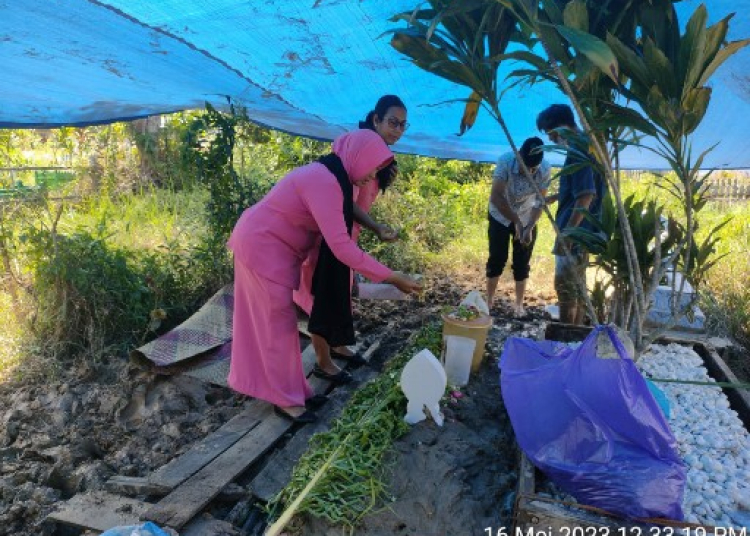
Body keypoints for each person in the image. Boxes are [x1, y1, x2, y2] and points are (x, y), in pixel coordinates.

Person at [227, 130, 422, 423]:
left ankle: (296, 390)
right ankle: (286, 400)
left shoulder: (335, 177)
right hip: (263, 246)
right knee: (276, 326)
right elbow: (341, 245)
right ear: (358, 157)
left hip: (275, 248)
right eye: (372, 167)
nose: (372, 176)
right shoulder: (325, 181)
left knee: (279, 324)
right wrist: (391, 276)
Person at [293, 95, 409, 365]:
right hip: (331, 236)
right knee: (322, 296)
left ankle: (338, 345)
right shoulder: (355, 153)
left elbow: (357, 202)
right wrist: (376, 228)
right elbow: (345, 199)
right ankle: (323, 361)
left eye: (403, 125)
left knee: (339, 292)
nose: (398, 130)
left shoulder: (380, 158)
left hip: (346, 235)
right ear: (375, 119)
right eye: (393, 122)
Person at [536, 104, 606, 325]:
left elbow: (585, 196)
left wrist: (567, 233)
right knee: (577, 285)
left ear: (562, 126)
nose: (552, 139)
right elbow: (584, 187)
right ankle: (575, 334)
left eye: (551, 133)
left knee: (566, 287)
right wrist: (558, 196)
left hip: (576, 230)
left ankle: (566, 334)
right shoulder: (589, 144)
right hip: (586, 230)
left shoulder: (578, 150)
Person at [485, 137, 551, 316]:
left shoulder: (545, 169)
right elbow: (496, 197)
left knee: (522, 261)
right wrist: (515, 221)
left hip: (526, 214)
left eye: (533, 169)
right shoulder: (506, 161)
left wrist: (528, 227)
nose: (529, 171)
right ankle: (489, 300)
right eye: (525, 166)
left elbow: (540, 201)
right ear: (518, 156)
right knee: (497, 257)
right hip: (500, 214)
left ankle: (519, 305)